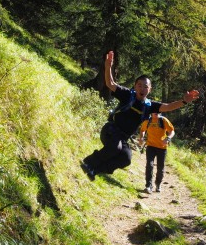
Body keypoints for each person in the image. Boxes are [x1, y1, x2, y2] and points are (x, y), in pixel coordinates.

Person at [80, 51, 199, 181]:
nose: (142, 89)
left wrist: (184, 101)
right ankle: (88, 162)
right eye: (139, 85)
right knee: (115, 147)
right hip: (110, 130)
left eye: (145, 87)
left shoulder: (149, 105)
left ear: (150, 89)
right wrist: (108, 66)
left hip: (123, 138)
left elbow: (168, 106)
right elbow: (110, 84)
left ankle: (95, 170)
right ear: (135, 86)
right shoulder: (127, 95)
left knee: (126, 158)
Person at [139, 113, 175, 194]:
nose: (156, 113)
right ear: (151, 112)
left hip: (162, 148)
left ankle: (158, 184)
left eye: (158, 112)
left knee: (160, 168)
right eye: (154, 111)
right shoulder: (147, 120)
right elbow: (142, 130)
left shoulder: (163, 120)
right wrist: (141, 138)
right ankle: (148, 186)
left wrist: (168, 138)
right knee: (149, 165)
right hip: (150, 146)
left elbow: (172, 131)